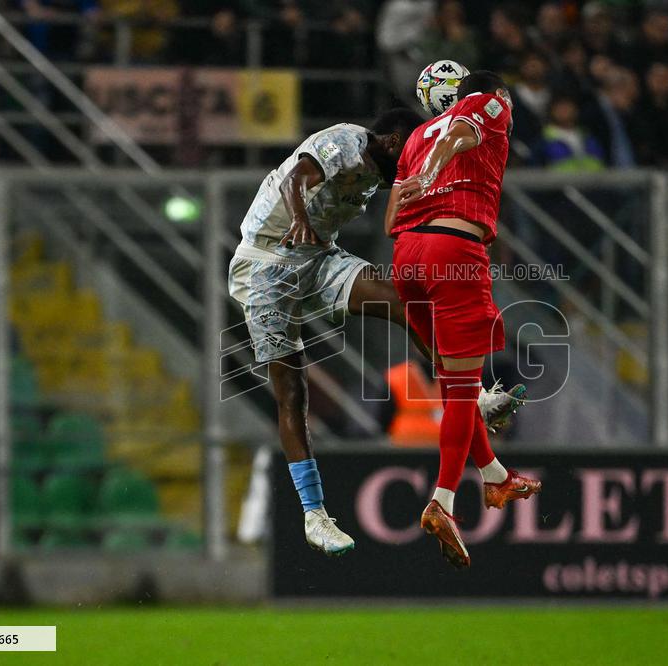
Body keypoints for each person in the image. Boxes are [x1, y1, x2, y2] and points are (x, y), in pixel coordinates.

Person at [228, 108, 523, 558]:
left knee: (412, 308)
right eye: (406, 153)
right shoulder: (345, 140)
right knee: (293, 391)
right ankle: (314, 515)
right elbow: (296, 179)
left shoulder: (385, 173)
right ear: (390, 141)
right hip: (267, 262)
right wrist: (301, 217)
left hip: (318, 259)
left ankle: (472, 397)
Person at [385, 71, 543, 569]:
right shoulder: (488, 109)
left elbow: (391, 218)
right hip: (454, 252)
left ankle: (495, 476)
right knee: (461, 388)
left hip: (406, 257)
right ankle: (443, 501)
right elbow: (457, 136)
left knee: (456, 384)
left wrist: (424, 178)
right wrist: (435, 171)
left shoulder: (414, 134)